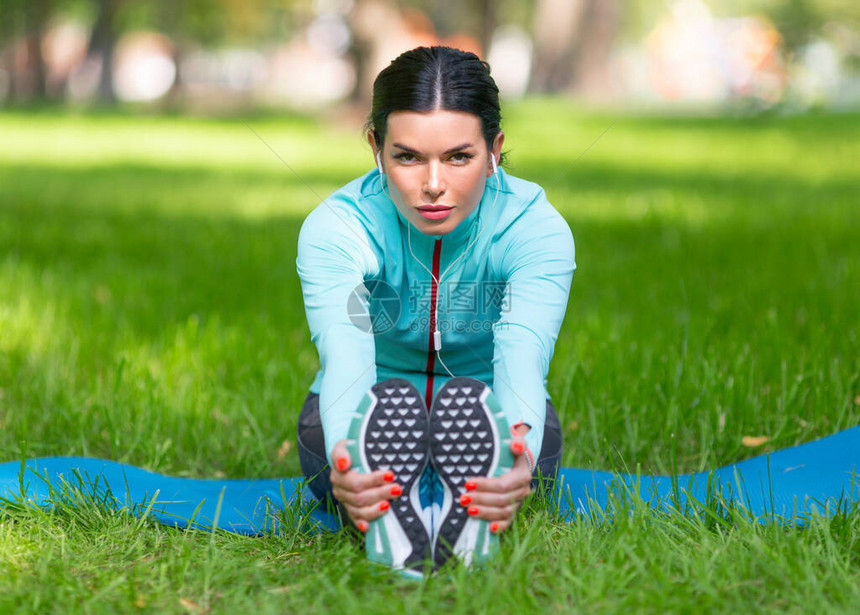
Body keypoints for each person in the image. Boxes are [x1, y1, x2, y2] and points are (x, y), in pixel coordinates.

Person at [295, 46, 575, 575]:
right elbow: (346, 356)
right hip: (377, 409)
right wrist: (347, 460)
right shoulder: (336, 229)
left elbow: (523, 354)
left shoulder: (535, 229)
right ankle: (397, 508)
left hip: (483, 409)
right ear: (376, 147)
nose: (433, 185)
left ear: (494, 149)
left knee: (531, 458)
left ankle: (470, 501)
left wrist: (517, 453)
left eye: (458, 157)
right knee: (334, 462)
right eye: (407, 157)